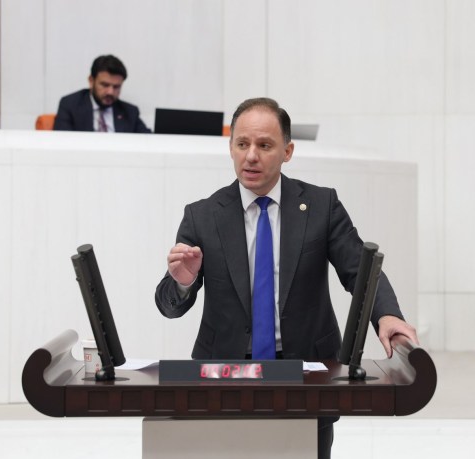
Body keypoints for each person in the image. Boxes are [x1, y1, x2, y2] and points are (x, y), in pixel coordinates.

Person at [155, 97, 418, 459]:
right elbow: (168, 305)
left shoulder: (322, 206)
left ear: (287, 151)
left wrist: (386, 315)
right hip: (225, 371)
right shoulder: (202, 215)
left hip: (308, 371)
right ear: (230, 148)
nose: (251, 156)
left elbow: (359, 269)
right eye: (242, 144)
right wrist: (183, 282)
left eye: (264, 145)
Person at [53, 54, 151, 133]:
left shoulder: (129, 112)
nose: (110, 92)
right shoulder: (70, 105)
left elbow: (149, 140)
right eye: (105, 85)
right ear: (91, 81)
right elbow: (62, 142)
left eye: (116, 87)